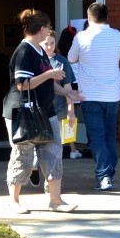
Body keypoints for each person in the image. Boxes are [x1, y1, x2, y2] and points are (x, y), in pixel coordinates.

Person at [2, 9, 78, 214]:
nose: (49, 32)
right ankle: (14, 202)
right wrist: (50, 74)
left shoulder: (40, 51)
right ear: (42, 29)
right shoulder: (24, 50)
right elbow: (22, 84)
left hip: (46, 111)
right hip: (22, 111)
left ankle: (56, 200)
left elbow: (47, 84)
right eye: (48, 28)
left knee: (54, 151)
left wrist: (67, 93)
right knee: (22, 154)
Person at [67, 2, 120, 192]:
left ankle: (104, 176)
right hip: (112, 95)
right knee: (109, 135)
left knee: (97, 137)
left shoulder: (81, 37)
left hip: (90, 95)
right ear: (107, 17)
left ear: (89, 18)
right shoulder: (117, 36)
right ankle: (109, 173)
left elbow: (71, 59)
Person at [42, 30, 82, 160]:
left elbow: (68, 87)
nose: (49, 46)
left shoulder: (61, 61)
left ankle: (73, 150)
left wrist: (71, 110)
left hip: (59, 102)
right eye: (46, 43)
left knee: (66, 126)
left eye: (52, 43)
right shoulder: (35, 59)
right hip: (41, 104)